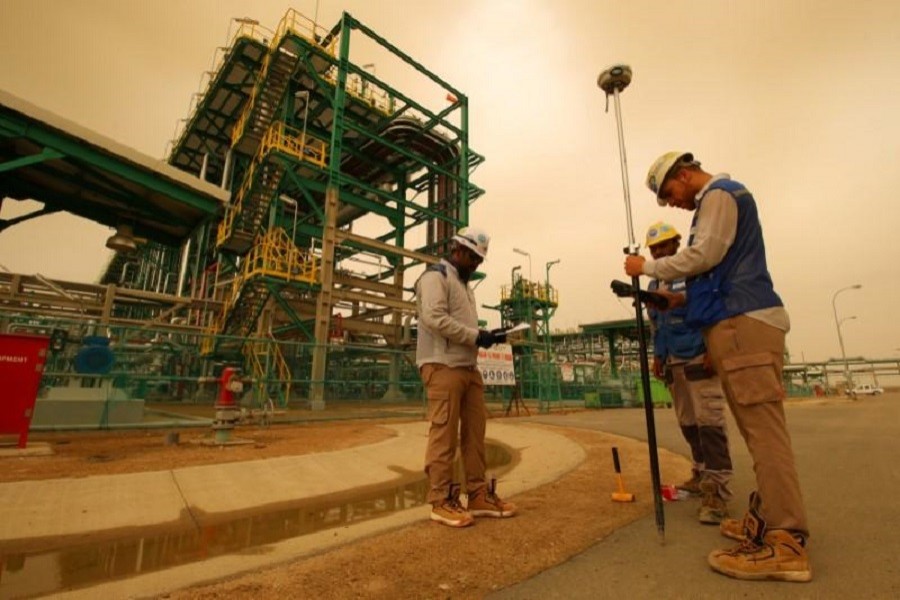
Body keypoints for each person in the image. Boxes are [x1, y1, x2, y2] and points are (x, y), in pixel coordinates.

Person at [625, 152, 811, 582]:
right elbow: (715, 271)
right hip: (733, 320)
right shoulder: (714, 202)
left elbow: (705, 255)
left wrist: (645, 266)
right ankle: (768, 520)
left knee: (764, 436)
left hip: (742, 323)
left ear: (684, 174)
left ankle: (785, 541)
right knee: (757, 433)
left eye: (669, 193)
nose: (672, 203)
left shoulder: (719, 196)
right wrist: (677, 299)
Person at [415, 226, 517, 528]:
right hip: (442, 365)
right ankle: (441, 499)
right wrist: (475, 336)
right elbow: (434, 318)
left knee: (475, 434)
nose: (475, 264)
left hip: (468, 368)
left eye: (479, 260)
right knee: (444, 435)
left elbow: (464, 327)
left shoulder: (465, 286)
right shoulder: (435, 277)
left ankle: (477, 494)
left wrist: (489, 335)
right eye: (472, 257)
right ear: (457, 249)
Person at [644, 221, 733, 525]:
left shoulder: (695, 274)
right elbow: (656, 325)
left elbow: (712, 311)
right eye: (654, 249)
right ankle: (701, 472)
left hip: (697, 355)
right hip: (672, 360)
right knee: (689, 423)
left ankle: (717, 492)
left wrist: (712, 349)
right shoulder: (654, 285)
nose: (659, 252)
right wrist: (658, 356)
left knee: (709, 422)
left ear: (676, 244)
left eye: (664, 246)